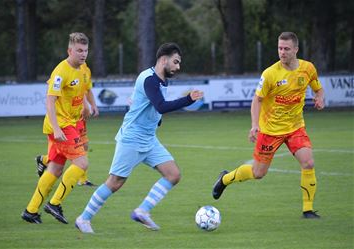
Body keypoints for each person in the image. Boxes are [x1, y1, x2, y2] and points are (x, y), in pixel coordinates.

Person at [75, 42, 204, 233]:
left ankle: (142, 211)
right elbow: (160, 105)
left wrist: (156, 121)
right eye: (175, 62)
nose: (178, 67)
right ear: (163, 60)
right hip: (132, 138)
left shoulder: (162, 80)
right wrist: (188, 99)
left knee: (173, 175)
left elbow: (152, 108)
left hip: (149, 139)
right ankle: (83, 219)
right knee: (115, 182)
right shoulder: (149, 79)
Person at [212, 31, 325, 219]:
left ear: (296, 49)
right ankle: (224, 179)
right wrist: (254, 125)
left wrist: (320, 98)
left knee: (308, 162)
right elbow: (256, 101)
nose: (282, 52)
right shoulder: (270, 74)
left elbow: (318, 88)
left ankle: (308, 210)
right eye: (280, 48)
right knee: (258, 173)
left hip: (296, 127)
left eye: (286, 49)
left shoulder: (308, 68)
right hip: (270, 131)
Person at [21, 32, 98, 224]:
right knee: (82, 164)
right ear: (69, 50)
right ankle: (54, 204)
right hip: (61, 126)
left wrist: (88, 105)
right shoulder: (60, 72)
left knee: (54, 169)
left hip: (69, 123)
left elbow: (83, 90)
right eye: (79, 50)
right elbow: (49, 101)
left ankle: (30, 211)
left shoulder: (83, 69)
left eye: (86, 51)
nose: (83, 54)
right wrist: (56, 128)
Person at [35, 96, 98, 187]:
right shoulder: (60, 83)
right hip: (69, 118)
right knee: (74, 151)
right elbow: (52, 99)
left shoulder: (84, 81)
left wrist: (90, 105)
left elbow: (86, 91)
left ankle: (45, 159)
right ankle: (82, 180)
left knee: (84, 145)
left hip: (79, 116)